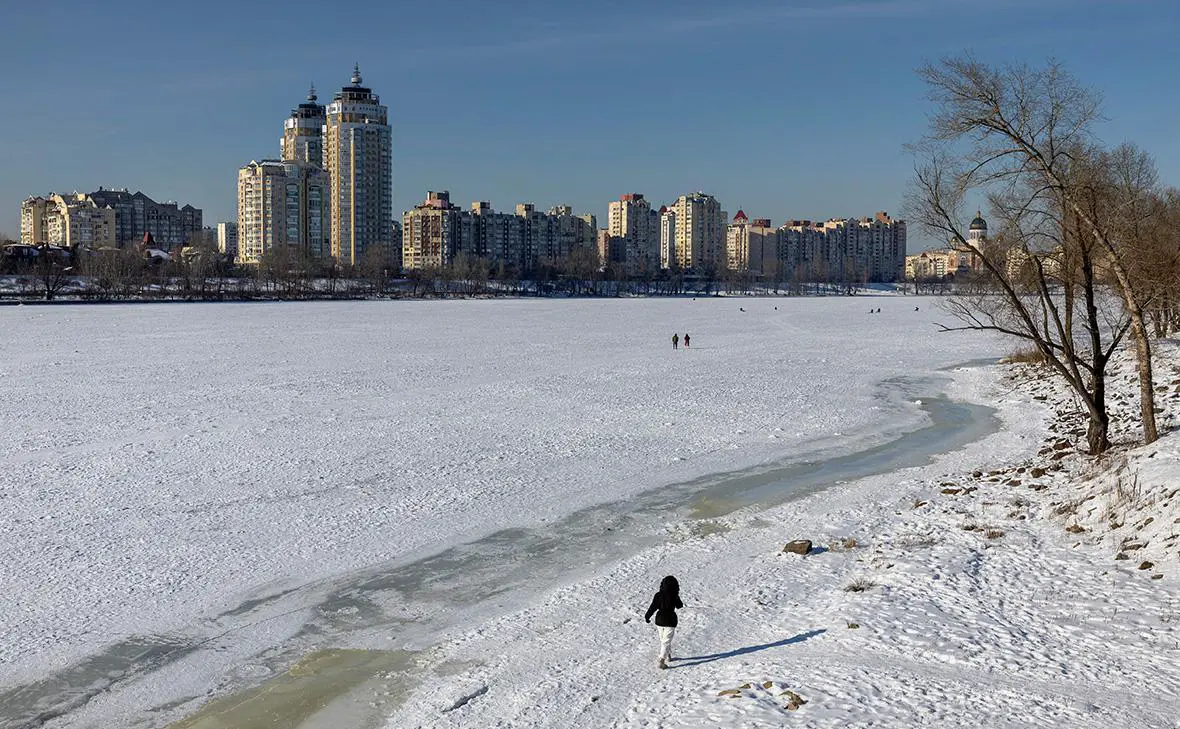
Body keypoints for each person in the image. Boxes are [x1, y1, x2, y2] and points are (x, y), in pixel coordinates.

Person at [644, 575, 683, 669]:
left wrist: (647, 616)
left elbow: (653, 607)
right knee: (666, 641)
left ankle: (668, 655)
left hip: (659, 619)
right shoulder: (674, 595)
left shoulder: (658, 595)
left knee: (663, 640)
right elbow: (679, 606)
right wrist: (676, 598)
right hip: (670, 620)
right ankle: (661, 660)